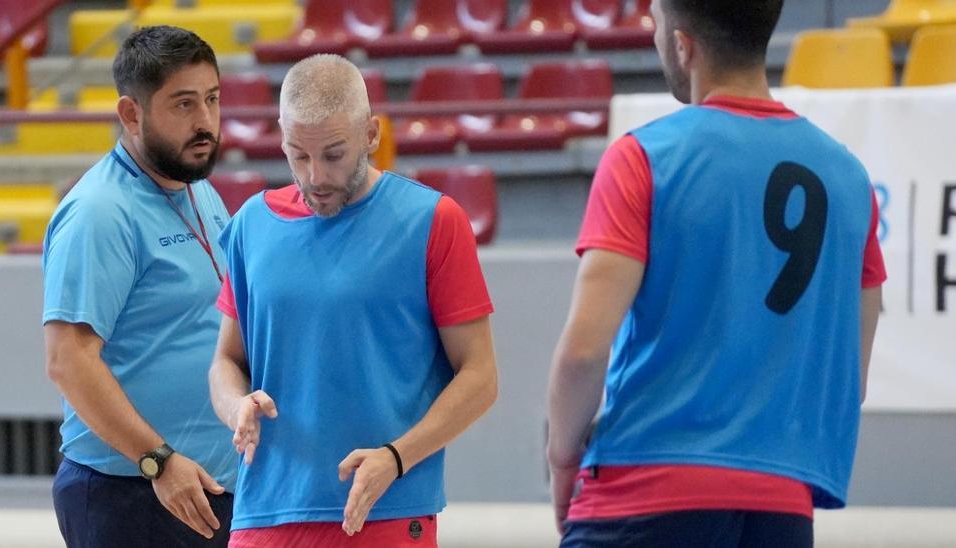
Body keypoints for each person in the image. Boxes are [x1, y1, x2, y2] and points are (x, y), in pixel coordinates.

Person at [545, 0, 886, 546]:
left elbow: (585, 350)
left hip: (643, 492)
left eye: (656, 25)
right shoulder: (850, 177)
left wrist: (562, 458)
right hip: (781, 505)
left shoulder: (643, 157)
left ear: (683, 45)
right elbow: (855, 374)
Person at [208, 54, 499, 547]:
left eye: (334, 154)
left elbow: (480, 376)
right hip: (264, 509)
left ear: (370, 135)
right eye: (298, 155)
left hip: (384, 510)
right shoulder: (253, 224)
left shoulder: (432, 221)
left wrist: (398, 456)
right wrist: (235, 406)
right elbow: (226, 360)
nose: (315, 175)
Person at [42, 26, 236, 547]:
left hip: (208, 487)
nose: (205, 123)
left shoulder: (200, 190)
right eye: (183, 105)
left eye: (212, 100)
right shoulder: (100, 213)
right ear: (131, 115)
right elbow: (68, 360)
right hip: (133, 491)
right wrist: (159, 461)